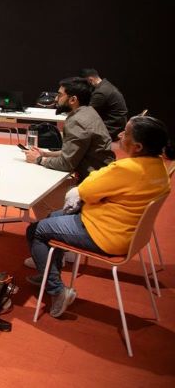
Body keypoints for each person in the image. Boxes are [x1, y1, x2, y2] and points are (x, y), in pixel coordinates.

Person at [25, 115, 173, 318]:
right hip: (125, 231)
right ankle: (49, 272)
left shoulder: (126, 168)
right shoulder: (159, 168)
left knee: (37, 229)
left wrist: (96, 180)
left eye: (126, 133)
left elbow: (86, 190)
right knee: (51, 216)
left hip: (104, 233)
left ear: (137, 146)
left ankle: (56, 289)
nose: (120, 134)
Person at [24, 77, 115, 218]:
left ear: (73, 100)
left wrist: (38, 159)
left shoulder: (77, 121)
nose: (56, 99)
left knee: (37, 193)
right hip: (102, 179)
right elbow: (75, 152)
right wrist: (46, 154)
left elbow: (66, 164)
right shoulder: (89, 112)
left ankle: (48, 229)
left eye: (60, 95)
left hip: (92, 187)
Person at [80, 68, 128, 141]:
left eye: (84, 83)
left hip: (112, 130)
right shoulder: (106, 85)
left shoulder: (101, 92)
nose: (84, 86)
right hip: (117, 126)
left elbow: (87, 116)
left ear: (90, 80)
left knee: (78, 131)